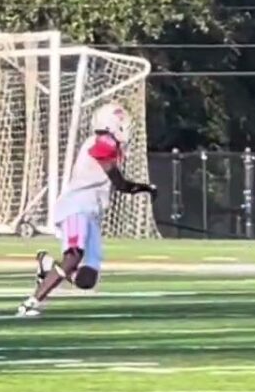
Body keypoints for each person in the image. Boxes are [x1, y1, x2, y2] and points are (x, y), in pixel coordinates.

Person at [16, 103, 157, 317]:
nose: (126, 127)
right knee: (73, 255)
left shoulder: (110, 146)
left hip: (91, 212)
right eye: (121, 123)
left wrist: (144, 188)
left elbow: (119, 183)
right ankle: (32, 302)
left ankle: (48, 266)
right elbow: (120, 184)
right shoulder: (101, 144)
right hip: (77, 206)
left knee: (86, 279)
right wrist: (144, 188)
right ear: (110, 125)